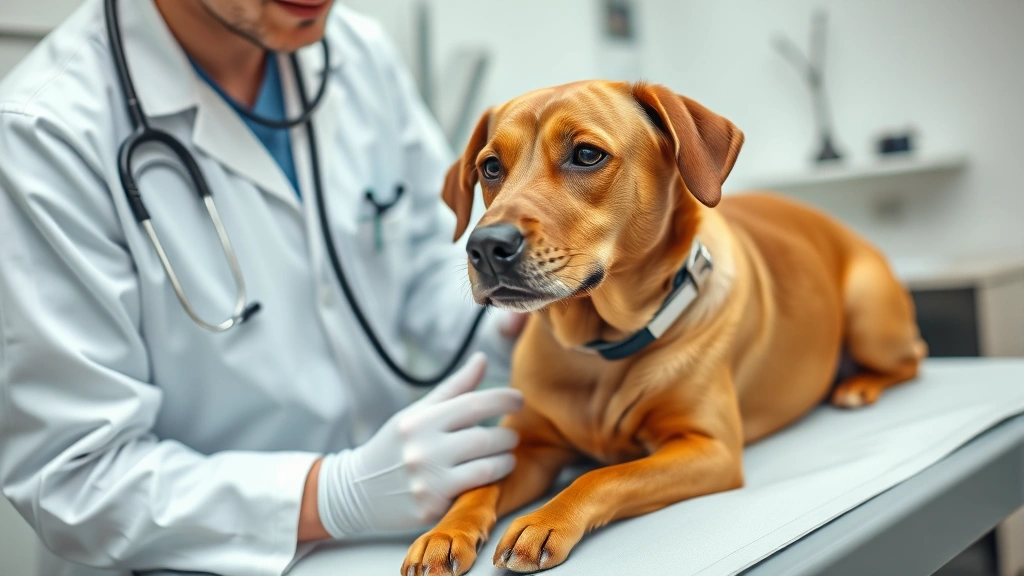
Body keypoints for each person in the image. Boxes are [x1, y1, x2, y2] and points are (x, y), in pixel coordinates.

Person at [0, 1, 527, 574]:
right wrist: (331, 494)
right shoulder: (43, 131)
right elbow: (77, 481)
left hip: (385, 549)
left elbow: (429, 271)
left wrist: (524, 315)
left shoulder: (354, 52)